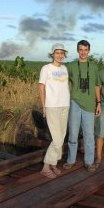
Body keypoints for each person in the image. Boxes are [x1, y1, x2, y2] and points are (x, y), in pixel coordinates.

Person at [63, 40, 101, 172]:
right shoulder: (71, 66)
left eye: (85, 50)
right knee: (73, 134)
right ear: (77, 50)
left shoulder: (94, 66)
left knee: (89, 135)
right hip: (75, 102)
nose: (83, 52)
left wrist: (98, 103)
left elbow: (97, 86)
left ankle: (89, 162)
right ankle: (71, 160)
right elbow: (61, 80)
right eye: (81, 50)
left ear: (89, 51)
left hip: (90, 105)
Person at [39, 43, 70, 179]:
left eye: (62, 53)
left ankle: (54, 163)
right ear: (52, 54)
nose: (60, 55)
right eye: (57, 53)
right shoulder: (46, 68)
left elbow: (65, 86)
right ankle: (46, 166)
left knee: (61, 136)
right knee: (57, 139)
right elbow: (41, 88)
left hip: (65, 105)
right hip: (52, 105)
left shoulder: (65, 68)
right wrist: (43, 107)